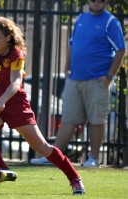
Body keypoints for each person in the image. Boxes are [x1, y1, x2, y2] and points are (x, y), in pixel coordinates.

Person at [0, 16, 85, 195]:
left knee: (42, 148)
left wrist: (2, 100)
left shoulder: (16, 55)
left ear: (8, 38)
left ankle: (75, 179)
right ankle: (3, 169)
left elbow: (16, 83)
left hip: (15, 104)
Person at [30, 0, 126, 167]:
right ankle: (54, 157)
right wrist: (67, 68)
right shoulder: (81, 18)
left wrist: (109, 77)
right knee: (68, 119)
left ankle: (94, 159)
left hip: (98, 80)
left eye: (101, 1)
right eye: (94, 0)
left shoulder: (111, 22)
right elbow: (72, 44)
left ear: (106, 3)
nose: (97, 3)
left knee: (97, 120)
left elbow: (121, 50)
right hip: (75, 79)